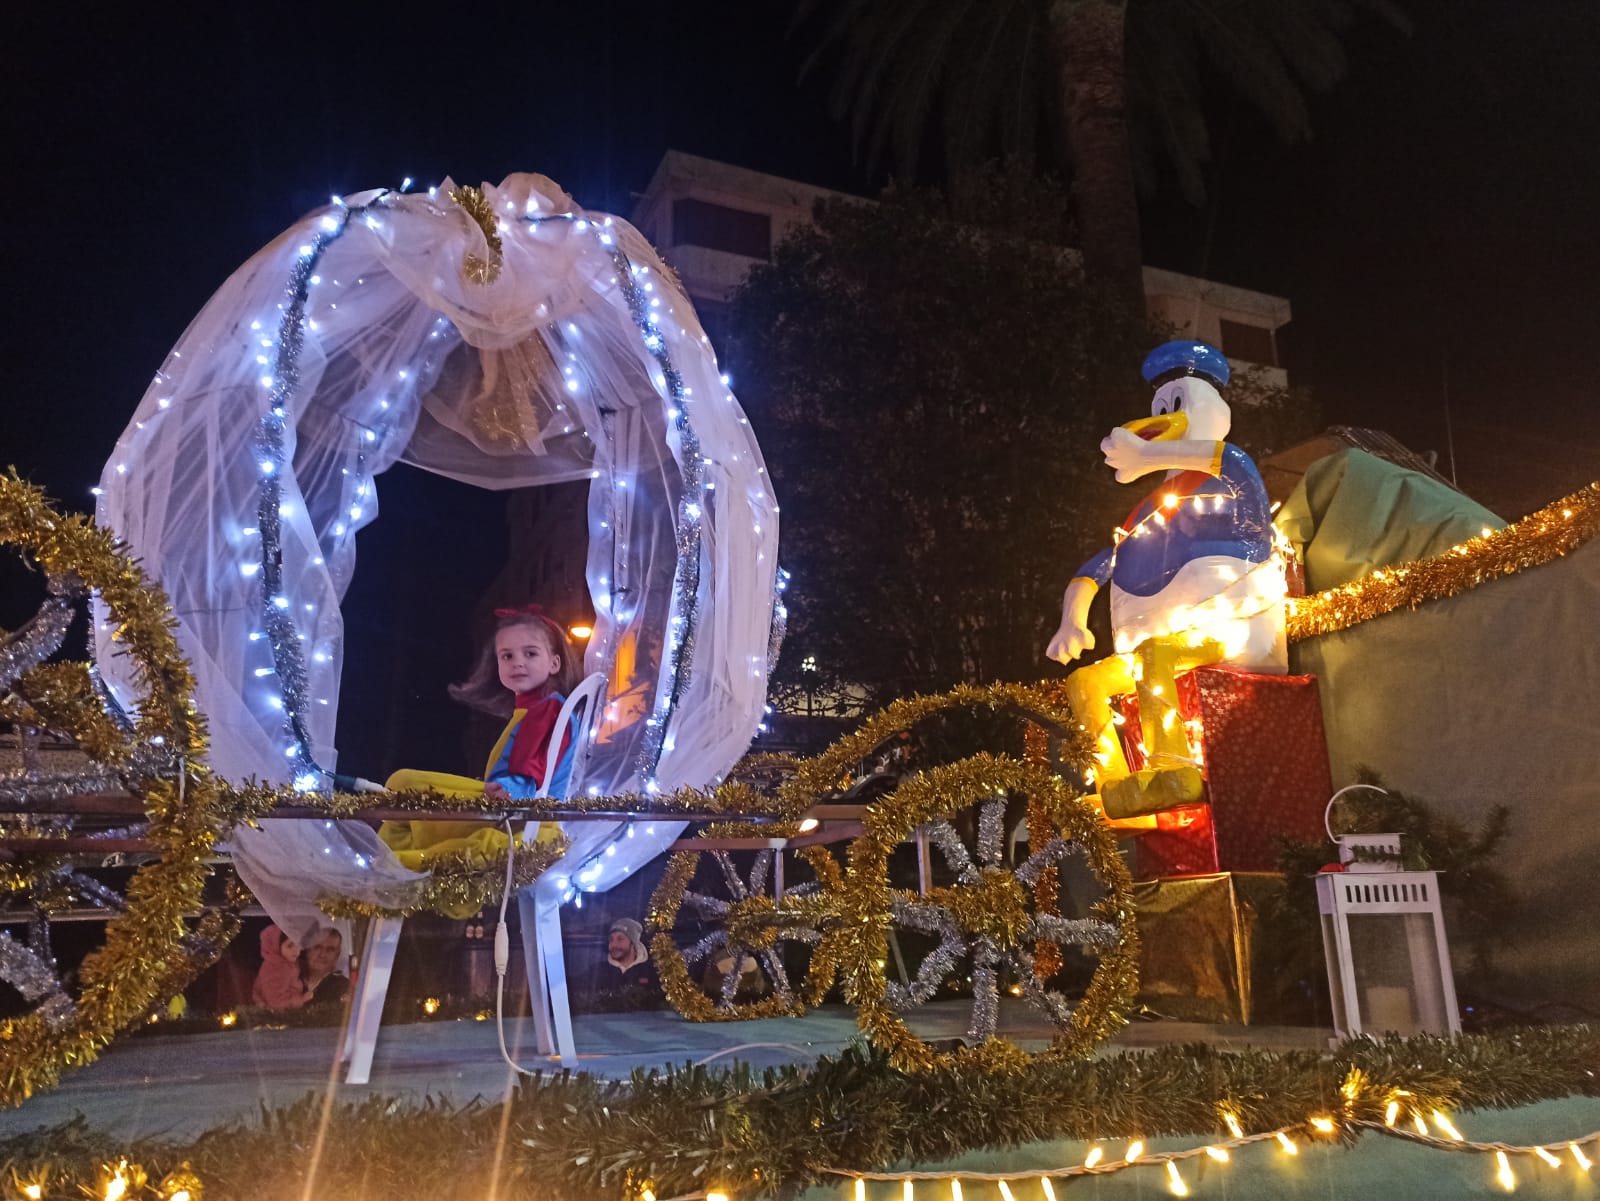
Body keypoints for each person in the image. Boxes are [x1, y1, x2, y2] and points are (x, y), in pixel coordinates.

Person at [378, 605, 579, 899]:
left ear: (555, 663)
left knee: (402, 783)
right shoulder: (532, 710)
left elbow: (532, 772)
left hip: (515, 807)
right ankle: (390, 861)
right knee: (403, 792)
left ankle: (387, 862)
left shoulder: (548, 709)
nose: (517, 663)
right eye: (507, 656)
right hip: (509, 804)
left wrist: (507, 793)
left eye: (530, 653)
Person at [251, 923, 312, 1010]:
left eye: (298, 945)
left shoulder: (284, 963)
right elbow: (275, 1002)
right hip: (282, 1017)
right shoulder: (277, 968)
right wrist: (302, 999)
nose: (296, 950)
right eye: (290, 946)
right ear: (276, 946)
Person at [300, 926, 350, 1005]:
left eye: (330, 950)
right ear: (307, 950)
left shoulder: (343, 988)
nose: (322, 954)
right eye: (317, 947)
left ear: (337, 955)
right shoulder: (288, 977)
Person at [603, 918, 656, 988]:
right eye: (611, 939)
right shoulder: (596, 973)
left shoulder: (652, 973)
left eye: (620, 939)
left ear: (633, 943)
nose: (614, 945)